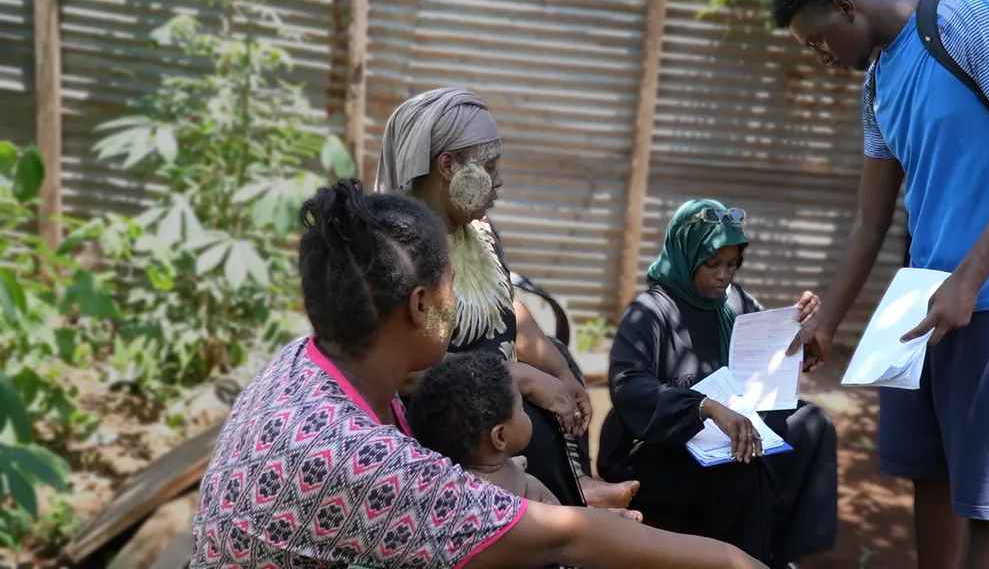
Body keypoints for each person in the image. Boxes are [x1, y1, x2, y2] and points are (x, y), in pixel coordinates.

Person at [190, 179, 767, 569]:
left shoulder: (306, 365)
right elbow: (565, 534)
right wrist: (733, 561)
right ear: (422, 305)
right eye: (454, 287)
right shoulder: (357, 458)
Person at [775, 0, 989, 569]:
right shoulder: (878, 84)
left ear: (846, 7)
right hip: (924, 304)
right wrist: (827, 320)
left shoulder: (965, 19)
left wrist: (969, 278)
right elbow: (869, 219)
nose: (821, 56)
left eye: (818, 41)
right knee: (928, 474)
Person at [373, 88, 636, 510]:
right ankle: (566, 511)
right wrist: (520, 376)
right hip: (447, 409)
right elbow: (405, 372)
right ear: (446, 165)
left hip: (495, 387)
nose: (499, 181)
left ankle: (576, 489)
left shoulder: (478, 231)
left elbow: (507, 308)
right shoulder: (401, 248)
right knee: (520, 413)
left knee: (562, 359)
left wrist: (558, 371)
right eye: (489, 167)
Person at [597, 199, 837, 569]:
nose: (724, 275)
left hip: (726, 431)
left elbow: (764, 362)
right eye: (712, 264)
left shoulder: (736, 303)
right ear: (686, 254)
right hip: (657, 445)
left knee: (812, 423)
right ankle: (742, 560)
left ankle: (778, 551)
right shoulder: (650, 312)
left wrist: (799, 338)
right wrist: (702, 407)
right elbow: (629, 386)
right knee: (739, 464)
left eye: (732, 264)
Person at [408, 350, 643, 521]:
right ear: (500, 437)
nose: (525, 414)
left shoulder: (456, 489)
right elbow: (564, 529)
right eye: (521, 409)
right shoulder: (522, 491)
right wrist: (602, 525)